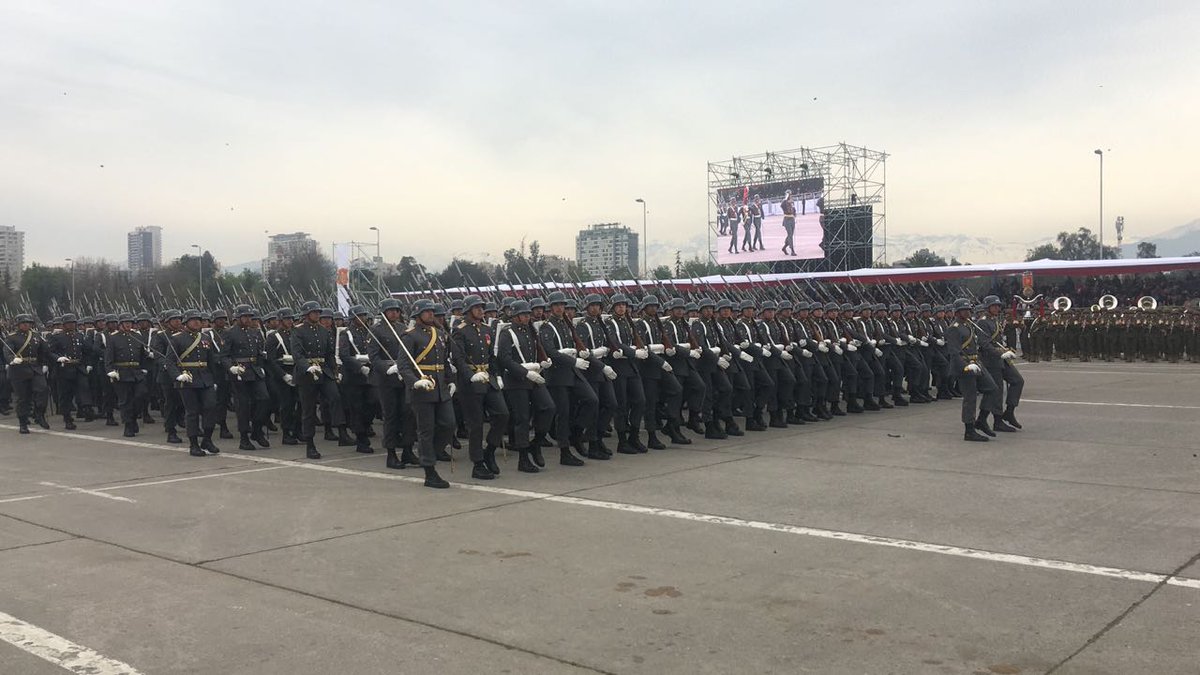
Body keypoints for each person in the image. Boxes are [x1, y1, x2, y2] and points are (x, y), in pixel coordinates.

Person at [397, 300, 456, 489]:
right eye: (427, 312)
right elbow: (404, 366)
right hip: (422, 389)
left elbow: (444, 361)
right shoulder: (409, 336)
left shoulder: (439, 334)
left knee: (449, 424)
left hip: (440, 388)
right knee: (426, 431)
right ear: (418, 315)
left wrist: (451, 379)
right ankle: (429, 471)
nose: (431, 314)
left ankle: (432, 453)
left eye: (432, 311)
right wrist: (415, 382)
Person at [450, 295, 509, 479]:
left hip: (488, 379)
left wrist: (497, 374)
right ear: (468, 310)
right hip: (471, 383)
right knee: (475, 425)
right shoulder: (460, 331)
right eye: (476, 308)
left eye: (481, 308)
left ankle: (489, 450)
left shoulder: (486, 328)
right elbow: (458, 358)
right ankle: (478, 464)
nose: (480, 311)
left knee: (502, 415)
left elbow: (491, 355)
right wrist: (470, 375)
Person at [538, 291, 596, 465]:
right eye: (556, 305)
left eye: (562, 305)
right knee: (563, 413)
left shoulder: (567, 324)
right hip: (557, 374)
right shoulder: (546, 327)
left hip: (572, 371)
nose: (560, 308)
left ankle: (577, 433)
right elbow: (550, 352)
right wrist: (573, 360)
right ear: (551, 308)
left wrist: (582, 352)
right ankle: (565, 452)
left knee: (592, 400)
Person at [163, 309, 224, 456]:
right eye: (193, 320)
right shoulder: (177, 339)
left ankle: (207, 439)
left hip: (205, 378)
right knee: (192, 412)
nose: (196, 322)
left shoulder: (205, 338)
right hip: (188, 379)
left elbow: (210, 361)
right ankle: (194, 444)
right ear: (186, 323)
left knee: (211, 407)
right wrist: (177, 376)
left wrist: (214, 380)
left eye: (198, 319)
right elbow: (169, 362)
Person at [290, 301, 347, 459]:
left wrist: (335, 371)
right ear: (306, 315)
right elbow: (297, 354)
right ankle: (310, 444)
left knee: (335, 397)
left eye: (317, 312)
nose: (317, 315)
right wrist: (306, 366)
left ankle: (341, 431)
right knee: (308, 410)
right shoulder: (298, 331)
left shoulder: (323, 331)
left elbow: (329, 353)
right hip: (306, 374)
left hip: (324, 371)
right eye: (314, 312)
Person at [944, 299, 996, 442]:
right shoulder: (954, 328)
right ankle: (969, 430)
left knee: (992, 388)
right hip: (965, 366)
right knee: (970, 398)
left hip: (975, 361)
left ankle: (981, 420)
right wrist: (965, 366)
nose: (967, 312)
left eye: (968, 310)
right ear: (957, 312)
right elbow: (954, 352)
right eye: (964, 310)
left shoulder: (968, 324)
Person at [224, 305, 272, 451]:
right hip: (240, 372)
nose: (248, 319)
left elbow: (258, 352)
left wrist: (261, 364)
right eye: (245, 317)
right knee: (243, 406)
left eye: (250, 317)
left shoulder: (255, 332)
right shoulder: (230, 333)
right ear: (237, 318)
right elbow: (223, 355)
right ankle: (244, 437)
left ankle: (257, 429)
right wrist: (230, 367)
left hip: (255, 370)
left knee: (265, 400)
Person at [338, 305, 378, 454]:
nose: (362, 319)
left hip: (369, 375)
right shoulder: (346, 334)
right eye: (359, 316)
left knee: (373, 403)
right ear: (353, 318)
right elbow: (344, 355)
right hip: (353, 377)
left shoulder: (369, 332)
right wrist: (359, 367)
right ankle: (361, 440)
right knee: (357, 409)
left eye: (364, 316)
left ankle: (365, 427)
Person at [104, 313, 151, 437]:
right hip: (121, 373)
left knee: (141, 396)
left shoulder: (137, 336)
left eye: (130, 322)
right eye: (125, 323)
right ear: (120, 325)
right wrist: (110, 370)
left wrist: (144, 368)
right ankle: (128, 424)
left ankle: (134, 417)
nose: (128, 324)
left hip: (136, 372)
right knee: (125, 401)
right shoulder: (113, 338)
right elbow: (108, 357)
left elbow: (142, 355)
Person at [4, 314, 51, 434]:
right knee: (23, 398)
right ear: (18, 325)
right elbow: (7, 351)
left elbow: (43, 351)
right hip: (19, 370)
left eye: (29, 323)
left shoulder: (36, 335)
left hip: (35, 368)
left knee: (43, 390)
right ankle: (23, 423)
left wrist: (44, 363)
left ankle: (39, 414)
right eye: (24, 323)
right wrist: (12, 360)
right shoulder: (12, 337)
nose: (27, 325)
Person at [46, 313, 93, 430]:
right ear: (64, 325)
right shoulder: (56, 337)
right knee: (65, 395)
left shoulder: (79, 336)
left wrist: (88, 363)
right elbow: (49, 352)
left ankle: (87, 408)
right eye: (69, 323)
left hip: (78, 367)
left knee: (84, 388)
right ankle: (67, 418)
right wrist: (58, 358)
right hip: (64, 369)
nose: (71, 325)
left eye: (73, 323)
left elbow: (87, 351)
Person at [780, 190, 797, 256]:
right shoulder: (784, 202)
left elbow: (793, 209)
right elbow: (781, 205)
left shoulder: (792, 201)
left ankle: (784, 248)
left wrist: (795, 214)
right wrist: (786, 199)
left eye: (790, 194)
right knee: (790, 234)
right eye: (789, 194)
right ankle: (792, 250)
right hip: (787, 219)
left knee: (791, 235)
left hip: (792, 219)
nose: (790, 195)